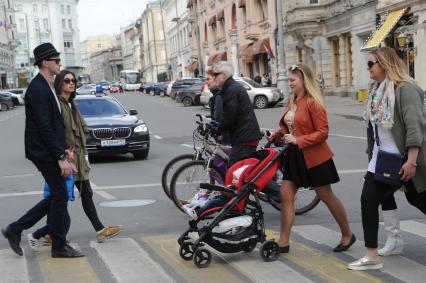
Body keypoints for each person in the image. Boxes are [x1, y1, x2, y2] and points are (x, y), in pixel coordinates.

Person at [1, 43, 83, 258]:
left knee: (59, 195)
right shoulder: (38, 88)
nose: (59, 63)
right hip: (43, 152)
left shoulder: (46, 85)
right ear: (45, 63)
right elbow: (44, 126)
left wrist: (65, 150)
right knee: (59, 195)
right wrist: (60, 156)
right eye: (56, 60)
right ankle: (56, 244)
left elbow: (55, 125)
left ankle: (17, 230)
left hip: (50, 150)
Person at [348, 47, 426, 271]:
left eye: (371, 64)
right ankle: (372, 254)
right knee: (369, 199)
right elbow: (374, 132)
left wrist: (411, 161)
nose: (368, 69)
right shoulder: (375, 91)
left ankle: (390, 244)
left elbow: (414, 127)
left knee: (418, 199)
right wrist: (371, 163)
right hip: (384, 160)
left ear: (384, 63)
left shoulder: (406, 89)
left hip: (406, 159)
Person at [27, 70, 123, 250]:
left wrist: (85, 156)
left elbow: (80, 133)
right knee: (58, 199)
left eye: (74, 81)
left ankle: (98, 229)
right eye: (67, 81)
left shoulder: (71, 104)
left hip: (78, 156)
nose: (71, 83)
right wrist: (62, 156)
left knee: (83, 193)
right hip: (66, 157)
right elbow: (57, 133)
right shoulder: (58, 104)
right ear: (60, 83)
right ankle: (41, 233)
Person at [267, 63, 355, 254]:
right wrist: (277, 135)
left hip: (314, 156)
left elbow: (323, 132)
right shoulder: (292, 100)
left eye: (292, 80)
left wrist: (299, 140)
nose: (289, 83)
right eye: (288, 79)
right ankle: (283, 241)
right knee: (286, 195)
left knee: (325, 195)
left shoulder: (313, 102)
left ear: (303, 80)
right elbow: (288, 127)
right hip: (294, 155)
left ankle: (347, 234)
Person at [212, 61, 262, 166]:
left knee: (234, 172)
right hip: (244, 136)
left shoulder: (232, 89)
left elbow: (230, 116)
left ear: (224, 75)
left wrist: (218, 128)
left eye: (216, 74)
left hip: (245, 138)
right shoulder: (230, 87)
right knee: (244, 173)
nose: (214, 77)